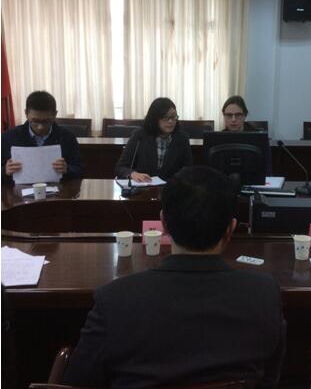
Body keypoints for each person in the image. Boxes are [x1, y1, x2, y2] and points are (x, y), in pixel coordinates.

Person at [63, 166, 286, 388]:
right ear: (231, 229)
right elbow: (269, 379)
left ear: (164, 224)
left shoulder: (114, 300)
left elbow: (78, 382)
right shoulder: (264, 294)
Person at [1, 91, 84, 182]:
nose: (40, 127)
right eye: (35, 121)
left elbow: (80, 170)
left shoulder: (67, 137)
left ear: (55, 115)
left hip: (58, 189)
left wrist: (67, 169)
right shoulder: (9, 137)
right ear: (26, 114)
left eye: (46, 121)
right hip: (19, 190)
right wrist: (5, 171)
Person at [115, 97, 192, 181]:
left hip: (171, 186)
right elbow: (121, 167)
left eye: (173, 117)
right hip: (143, 186)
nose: (170, 121)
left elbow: (188, 170)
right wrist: (133, 174)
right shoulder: (139, 135)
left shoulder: (182, 138)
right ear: (154, 118)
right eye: (165, 117)